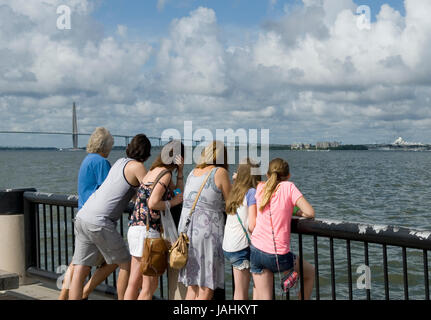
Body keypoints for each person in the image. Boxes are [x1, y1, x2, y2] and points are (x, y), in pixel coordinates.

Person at [68, 134, 151, 300]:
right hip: (100, 221)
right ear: (147, 153)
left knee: (80, 268)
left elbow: (122, 189)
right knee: (126, 263)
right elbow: (150, 192)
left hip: (84, 215)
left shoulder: (120, 162)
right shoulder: (138, 167)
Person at [59, 127, 117, 300]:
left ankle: (63, 297)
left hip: (81, 216)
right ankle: (84, 293)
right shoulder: (101, 162)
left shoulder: (87, 160)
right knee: (117, 259)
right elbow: (111, 190)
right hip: (96, 219)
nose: (111, 149)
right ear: (104, 146)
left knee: (77, 263)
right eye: (111, 145)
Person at [124, 140, 184, 300]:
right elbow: (153, 202)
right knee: (150, 286)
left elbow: (177, 192)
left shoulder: (154, 170)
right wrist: (174, 203)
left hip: (135, 228)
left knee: (134, 282)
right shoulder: (165, 175)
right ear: (178, 157)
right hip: (147, 233)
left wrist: (180, 173)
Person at [250, 158, 315, 300]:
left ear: (268, 175)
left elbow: (272, 205)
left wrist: (290, 209)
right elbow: (310, 212)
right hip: (277, 256)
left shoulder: (261, 187)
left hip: (255, 250)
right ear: (288, 176)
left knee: (264, 297)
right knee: (310, 273)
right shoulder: (288, 187)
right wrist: (294, 210)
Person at [177, 141, 231, 300]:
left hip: (187, 233)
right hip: (207, 234)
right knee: (206, 287)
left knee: (192, 286)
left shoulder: (193, 172)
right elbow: (231, 204)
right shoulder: (219, 172)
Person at [223, 158, 260, 300]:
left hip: (229, 245)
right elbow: (252, 225)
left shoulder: (235, 191)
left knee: (239, 290)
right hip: (240, 248)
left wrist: (237, 178)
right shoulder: (251, 193)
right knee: (242, 293)